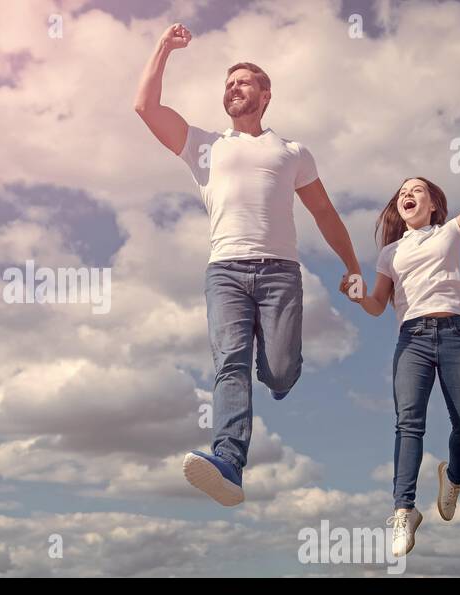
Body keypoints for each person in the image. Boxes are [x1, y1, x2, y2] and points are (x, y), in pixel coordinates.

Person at [134, 23, 362, 507]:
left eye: (242, 81)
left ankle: (280, 377)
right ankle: (229, 463)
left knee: (278, 373)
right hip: (226, 273)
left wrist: (352, 265)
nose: (232, 88)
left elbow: (323, 211)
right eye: (227, 84)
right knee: (229, 364)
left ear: (265, 92)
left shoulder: (292, 152)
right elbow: (146, 108)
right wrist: (163, 48)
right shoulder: (203, 145)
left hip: (280, 273)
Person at [342, 161, 460, 556]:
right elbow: (377, 305)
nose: (407, 194)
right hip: (413, 340)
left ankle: (453, 478)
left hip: (457, 337)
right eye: (403, 191)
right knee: (409, 423)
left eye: (417, 189)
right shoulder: (390, 253)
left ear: (433, 205)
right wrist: (358, 296)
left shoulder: (449, 233)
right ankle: (403, 511)